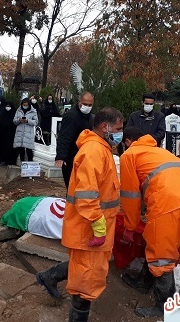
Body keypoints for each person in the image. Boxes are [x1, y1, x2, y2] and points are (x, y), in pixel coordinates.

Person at [36, 108, 123, 322]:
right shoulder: (94, 151)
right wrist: (98, 226)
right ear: (105, 127)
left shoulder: (100, 149)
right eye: (118, 129)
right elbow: (87, 195)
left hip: (95, 226)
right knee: (86, 281)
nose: (120, 134)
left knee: (86, 271)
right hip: (90, 228)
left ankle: (49, 277)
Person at [119, 126, 180, 318]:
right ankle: (144, 283)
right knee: (156, 242)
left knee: (161, 255)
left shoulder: (129, 155)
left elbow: (130, 197)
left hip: (167, 202)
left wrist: (130, 227)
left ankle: (166, 305)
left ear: (128, 141)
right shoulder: (157, 151)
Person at [55, 92, 94, 188]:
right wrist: (61, 156)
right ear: (79, 102)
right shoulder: (71, 116)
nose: (87, 107)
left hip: (84, 157)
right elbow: (64, 137)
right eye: (85, 104)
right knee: (73, 187)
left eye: (90, 105)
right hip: (71, 157)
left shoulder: (90, 117)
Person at [13, 97, 38, 163]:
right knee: (21, 149)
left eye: (26, 105)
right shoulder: (18, 110)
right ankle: (22, 164)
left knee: (29, 150)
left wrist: (28, 121)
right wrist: (19, 120)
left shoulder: (33, 111)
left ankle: (30, 165)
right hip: (20, 133)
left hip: (28, 133)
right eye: (24, 105)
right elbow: (14, 121)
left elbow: (36, 122)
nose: (25, 106)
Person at [0, 101, 17, 165]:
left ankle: (10, 161)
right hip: (3, 134)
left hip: (11, 134)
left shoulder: (14, 114)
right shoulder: (3, 113)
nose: (8, 108)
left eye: (9, 106)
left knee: (10, 147)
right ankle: (3, 159)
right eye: (6, 106)